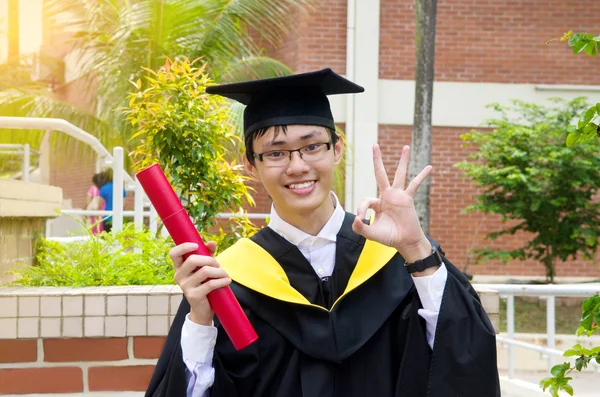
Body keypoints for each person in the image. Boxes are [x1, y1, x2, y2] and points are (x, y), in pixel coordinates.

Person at [146, 69, 500, 397]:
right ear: (251, 165)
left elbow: (463, 358)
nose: (298, 166)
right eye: (276, 153)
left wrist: (417, 248)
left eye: (312, 146)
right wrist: (201, 320)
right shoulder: (229, 280)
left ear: (338, 148)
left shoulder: (397, 258)